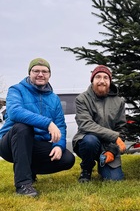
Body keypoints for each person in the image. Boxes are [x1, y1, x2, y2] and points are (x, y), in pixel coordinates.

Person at [0, 58, 75, 197]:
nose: (40, 74)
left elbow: (60, 125)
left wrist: (58, 145)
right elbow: (15, 112)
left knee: (67, 159)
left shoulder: (54, 98)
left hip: (35, 144)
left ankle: (28, 169)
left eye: (44, 71)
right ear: (29, 73)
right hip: (10, 143)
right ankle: (23, 184)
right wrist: (47, 123)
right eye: (36, 71)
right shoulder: (16, 90)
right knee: (23, 127)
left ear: (49, 75)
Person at [73, 65, 127, 182]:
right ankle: (86, 169)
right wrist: (114, 136)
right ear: (92, 80)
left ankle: (104, 163)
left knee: (115, 180)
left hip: (109, 146)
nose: (102, 81)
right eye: (98, 77)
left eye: (105, 78)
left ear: (110, 81)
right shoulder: (82, 99)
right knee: (90, 141)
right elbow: (86, 124)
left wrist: (112, 150)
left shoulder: (119, 101)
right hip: (88, 142)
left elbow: (121, 128)